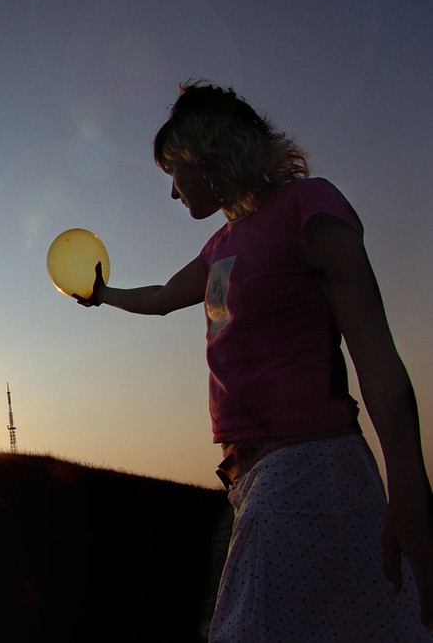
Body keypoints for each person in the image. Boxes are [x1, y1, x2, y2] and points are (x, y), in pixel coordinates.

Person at [75, 81, 433, 640]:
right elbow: (162, 297)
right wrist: (102, 294)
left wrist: (410, 489)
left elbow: (376, 354)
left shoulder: (309, 205)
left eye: (173, 170)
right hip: (258, 477)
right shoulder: (219, 246)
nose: (172, 191)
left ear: (205, 153)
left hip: (310, 468)